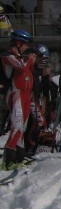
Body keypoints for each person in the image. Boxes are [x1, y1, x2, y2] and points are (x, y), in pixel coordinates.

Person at [1, 30, 37, 169]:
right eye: (25, 44)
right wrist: (29, 59)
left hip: (26, 95)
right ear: (17, 42)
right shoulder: (7, 56)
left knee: (22, 127)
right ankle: (8, 160)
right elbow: (21, 67)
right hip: (15, 94)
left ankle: (19, 157)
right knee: (16, 126)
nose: (27, 47)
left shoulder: (20, 56)